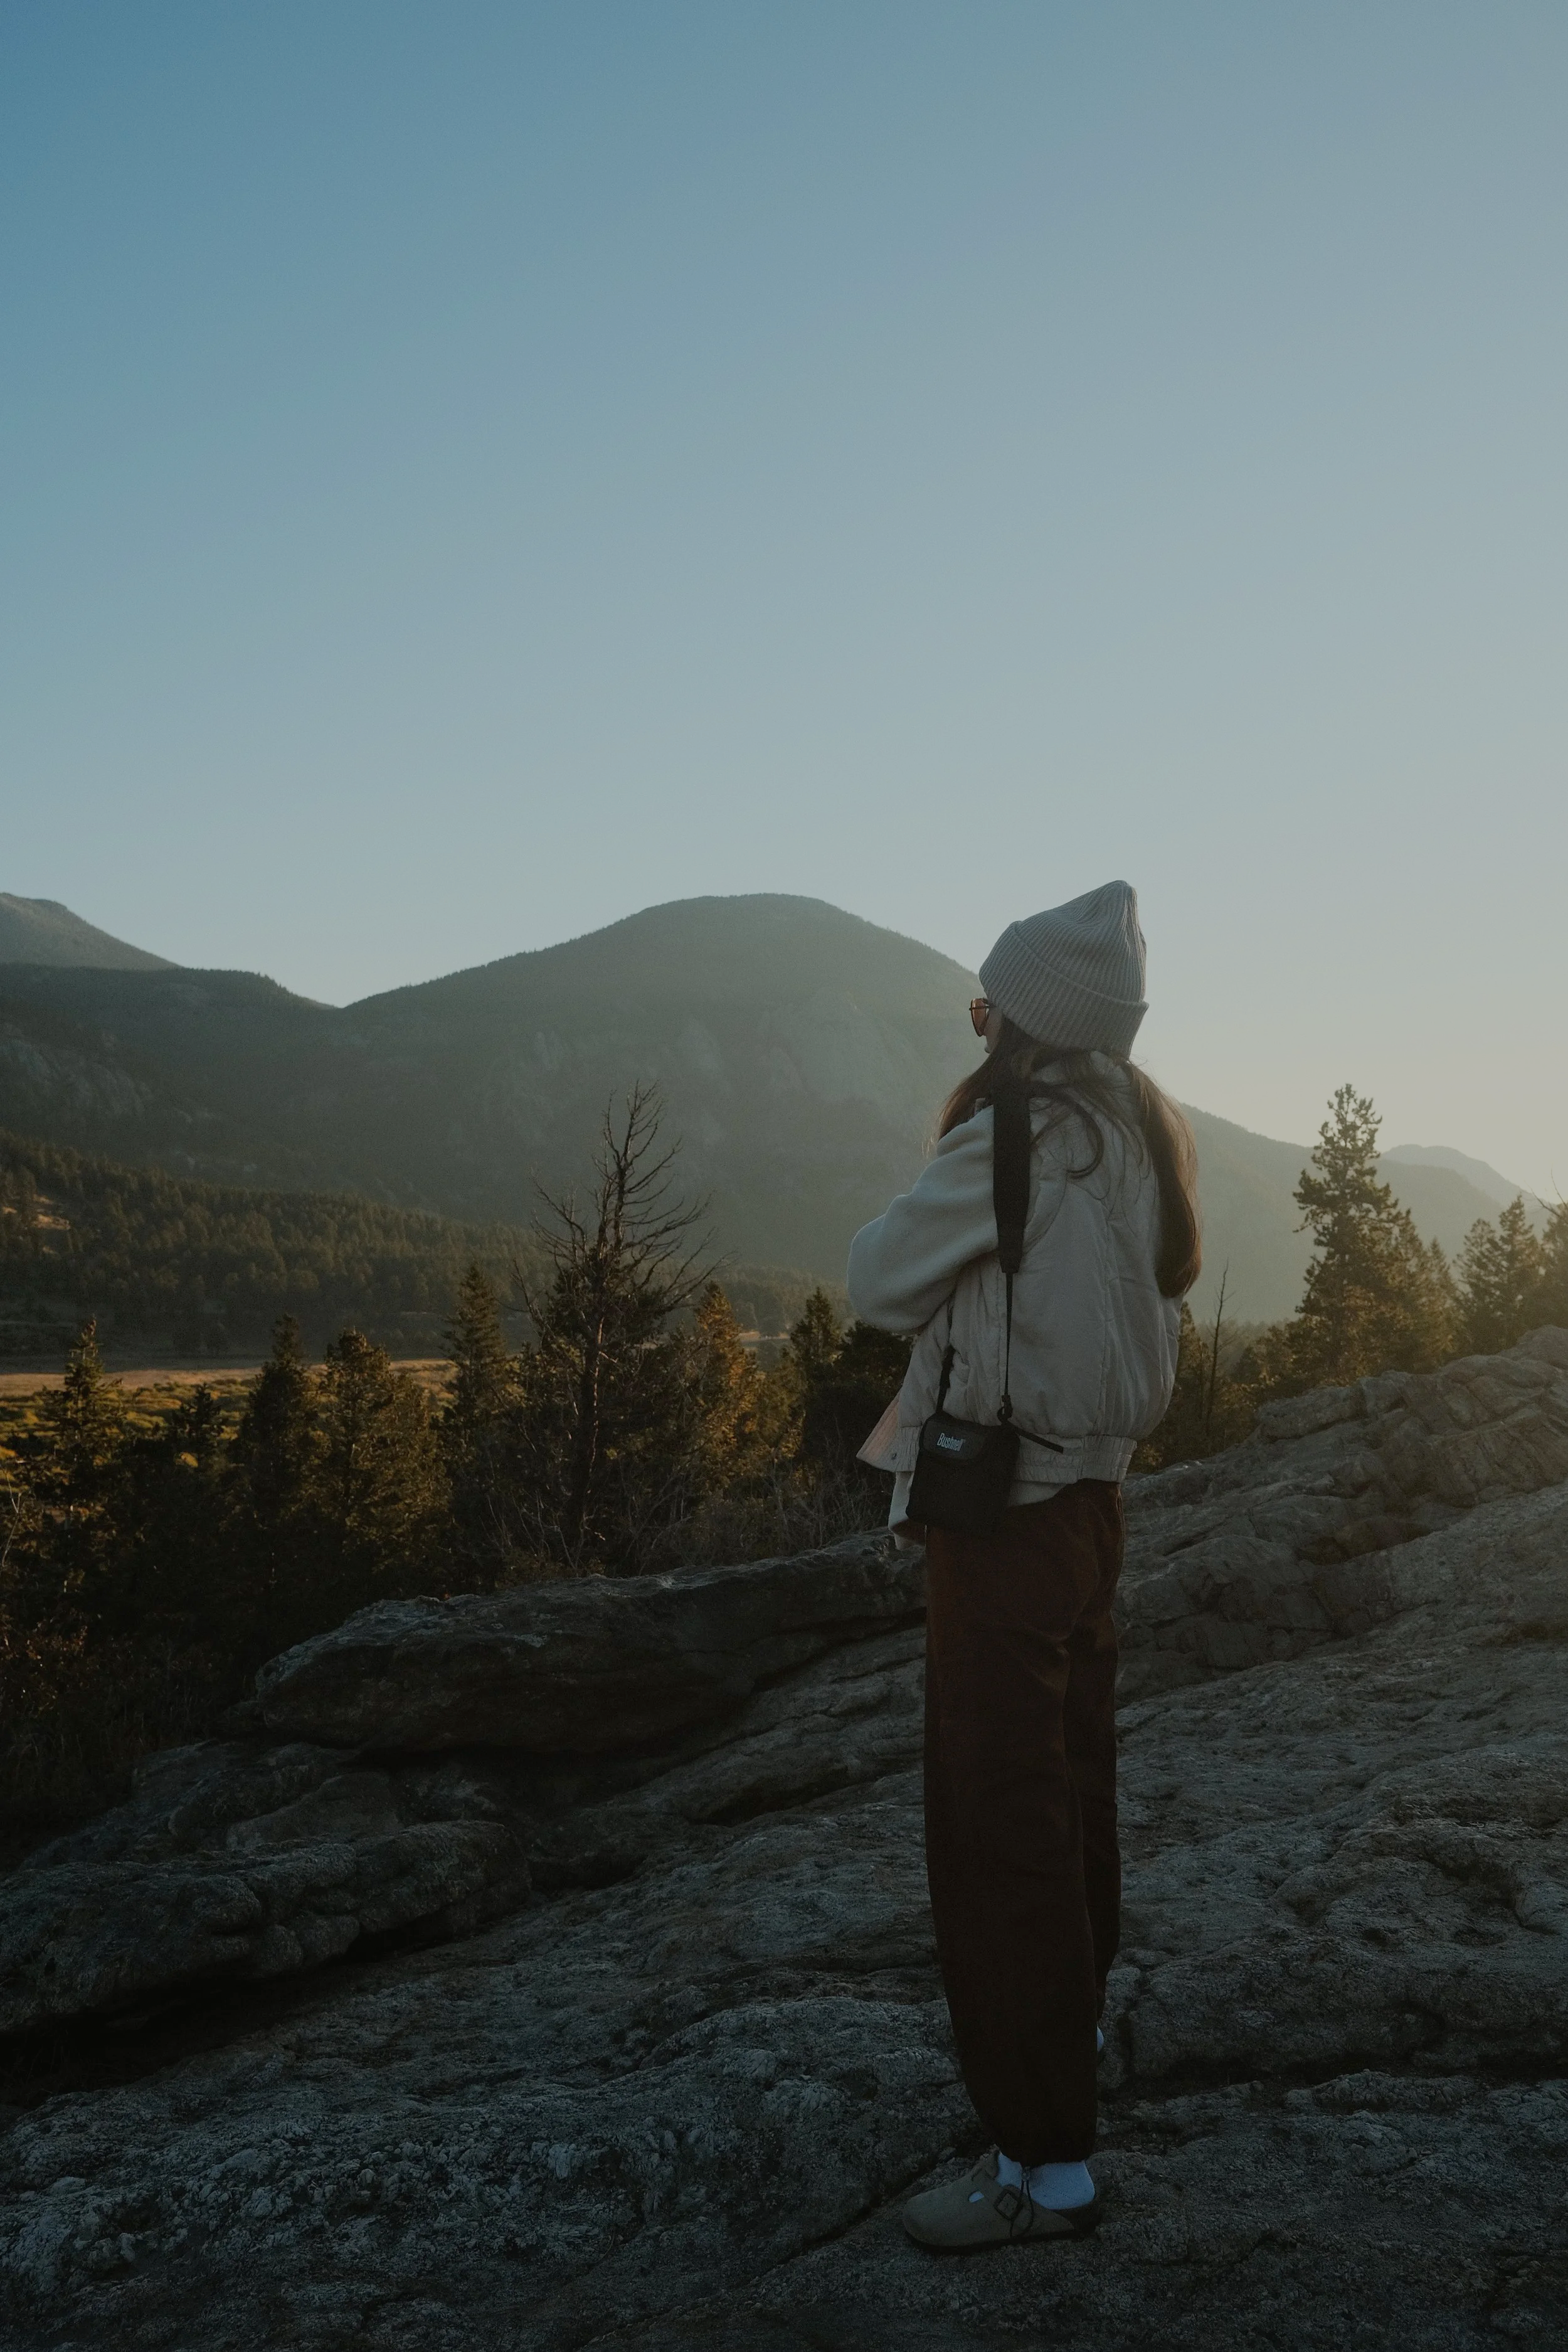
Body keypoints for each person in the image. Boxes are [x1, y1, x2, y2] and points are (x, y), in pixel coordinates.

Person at [846, 880, 1200, 2252]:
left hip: (998, 1523)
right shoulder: (1139, 1129)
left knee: (992, 1830)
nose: (976, 1020)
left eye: (985, 1003)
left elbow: (879, 1279)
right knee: (1068, 1796)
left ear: (1022, 1021)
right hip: (1094, 1514)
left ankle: (1040, 2165)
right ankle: (1070, 2046)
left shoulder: (1007, 1131)